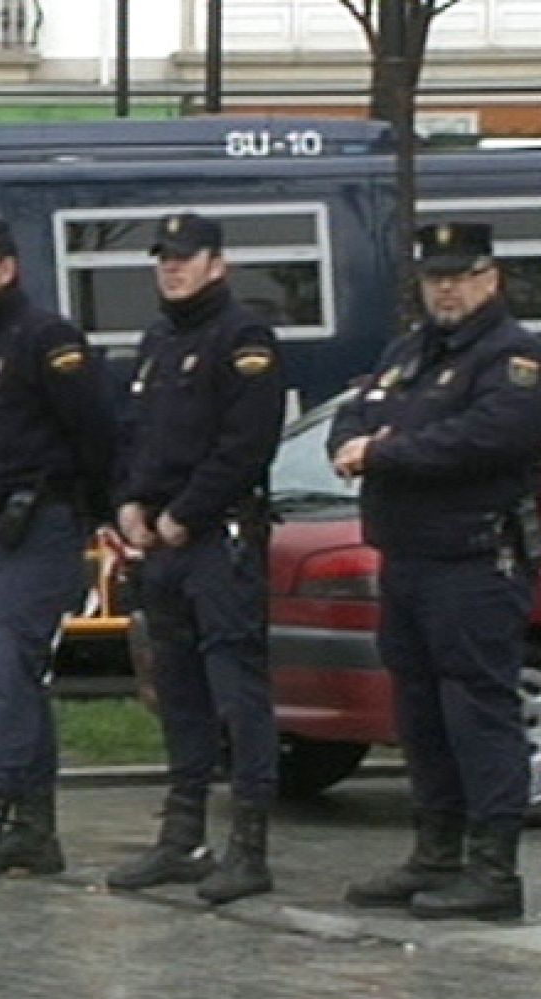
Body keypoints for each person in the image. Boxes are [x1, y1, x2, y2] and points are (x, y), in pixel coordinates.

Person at [328, 221, 541, 922]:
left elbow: (486, 438)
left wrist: (384, 451)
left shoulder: (513, 356)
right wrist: (360, 442)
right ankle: (435, 852)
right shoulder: (409, 352)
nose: (446, 290)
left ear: (490, 278)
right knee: (420, 716)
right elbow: (351, 418)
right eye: (434, 278)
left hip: (474, 561)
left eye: (459, 277)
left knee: (478, 713)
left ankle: (493, 871)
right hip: (408, 558)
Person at [108, 212, 286, 905]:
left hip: (217, 540)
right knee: (179, 693)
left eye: (185, 258)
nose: (172, 269)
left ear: (218, 264)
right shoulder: (158, 339)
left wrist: (186, 512)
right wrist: (129, 501)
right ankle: (182, 838)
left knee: (237, 694)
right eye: (164, 259)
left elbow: (246, 443)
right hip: (161, 544)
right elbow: (135, 434)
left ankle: (249, 847)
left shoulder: (243, 338)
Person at [0, 213, 115, 880]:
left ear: (5, 268)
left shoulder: (46, 339)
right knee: (9, 678)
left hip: (35, 524)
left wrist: (91, 512)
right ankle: (36, 829)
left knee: (6, 676)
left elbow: (94, 429)